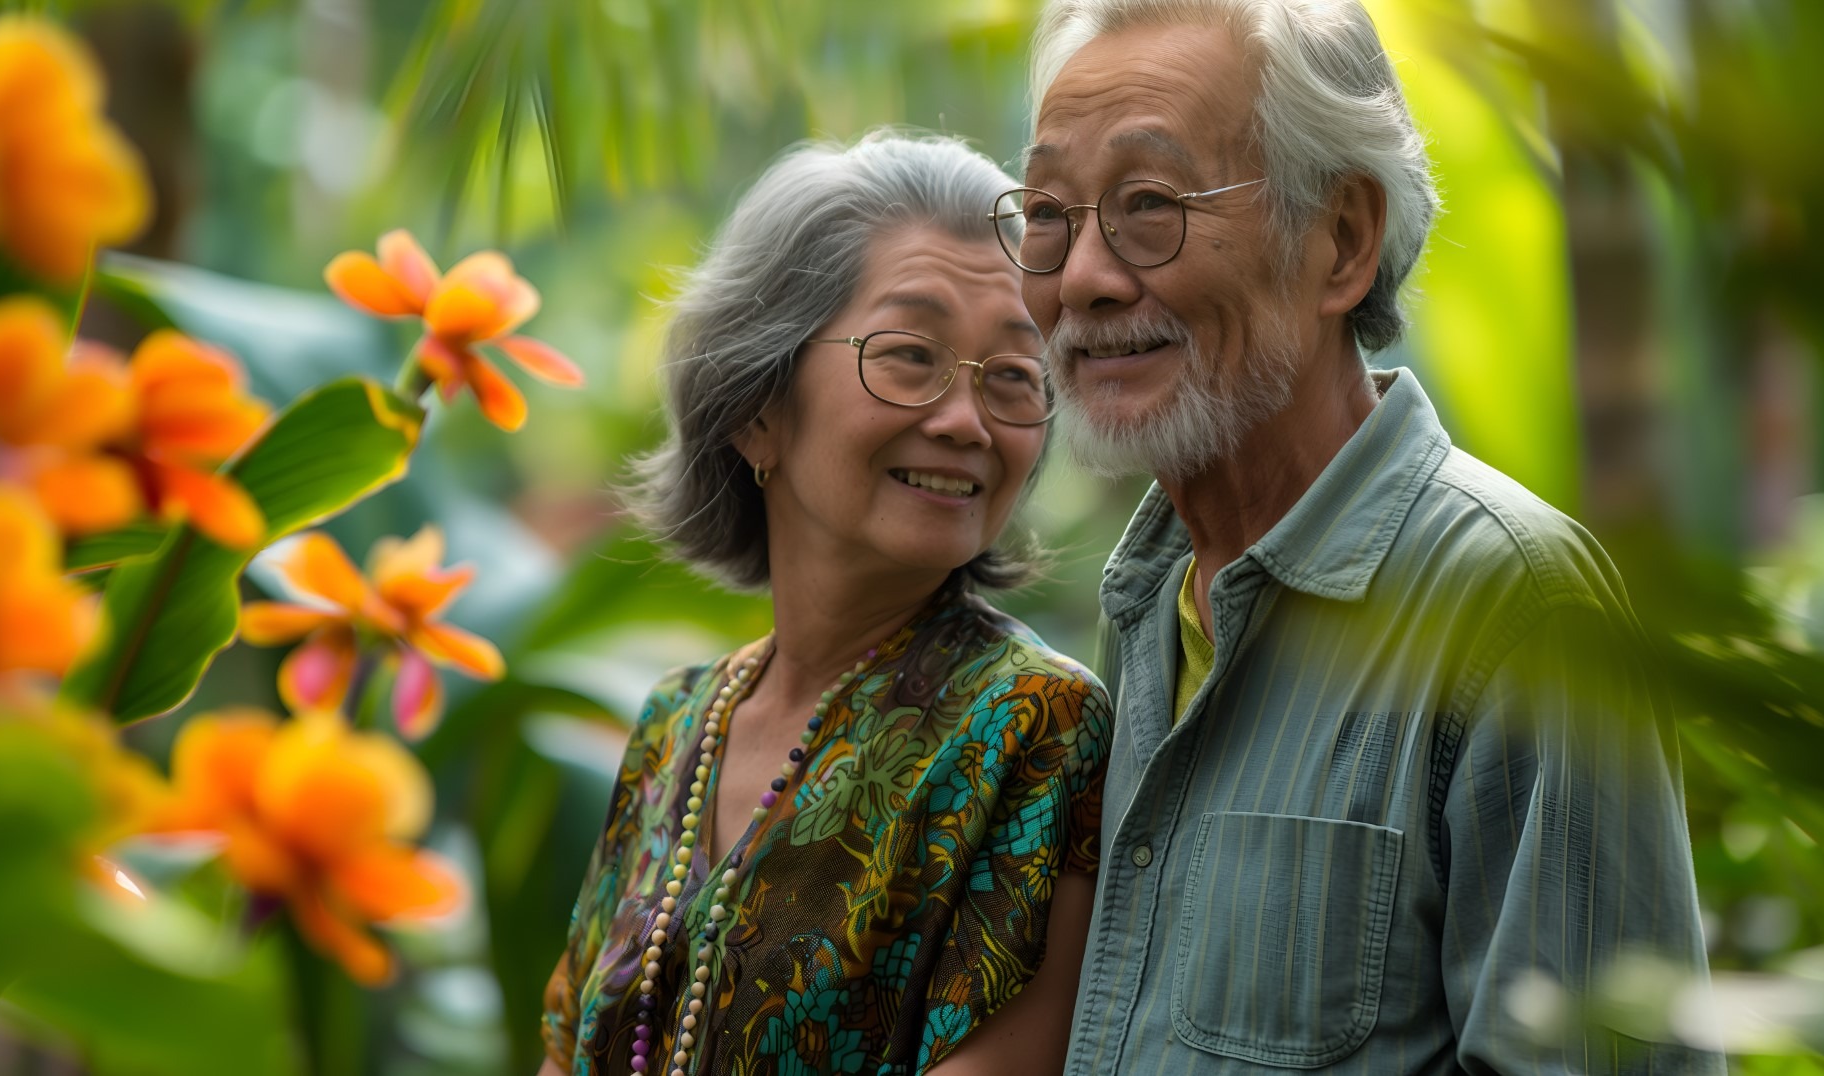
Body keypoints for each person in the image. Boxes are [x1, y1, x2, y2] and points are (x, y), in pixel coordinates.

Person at [1006, 1, 1722, 1072]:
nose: (1084, 278)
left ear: (1340, 240)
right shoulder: (1153, 602)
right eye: (1050, 215)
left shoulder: (1517, 606)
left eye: (1147, 204)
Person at [539, 132, 1111, 1076]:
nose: (966, 421)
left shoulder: (1031, 725)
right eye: (910, 354)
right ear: (758, 407)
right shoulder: (673, 725)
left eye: (1013, 375)